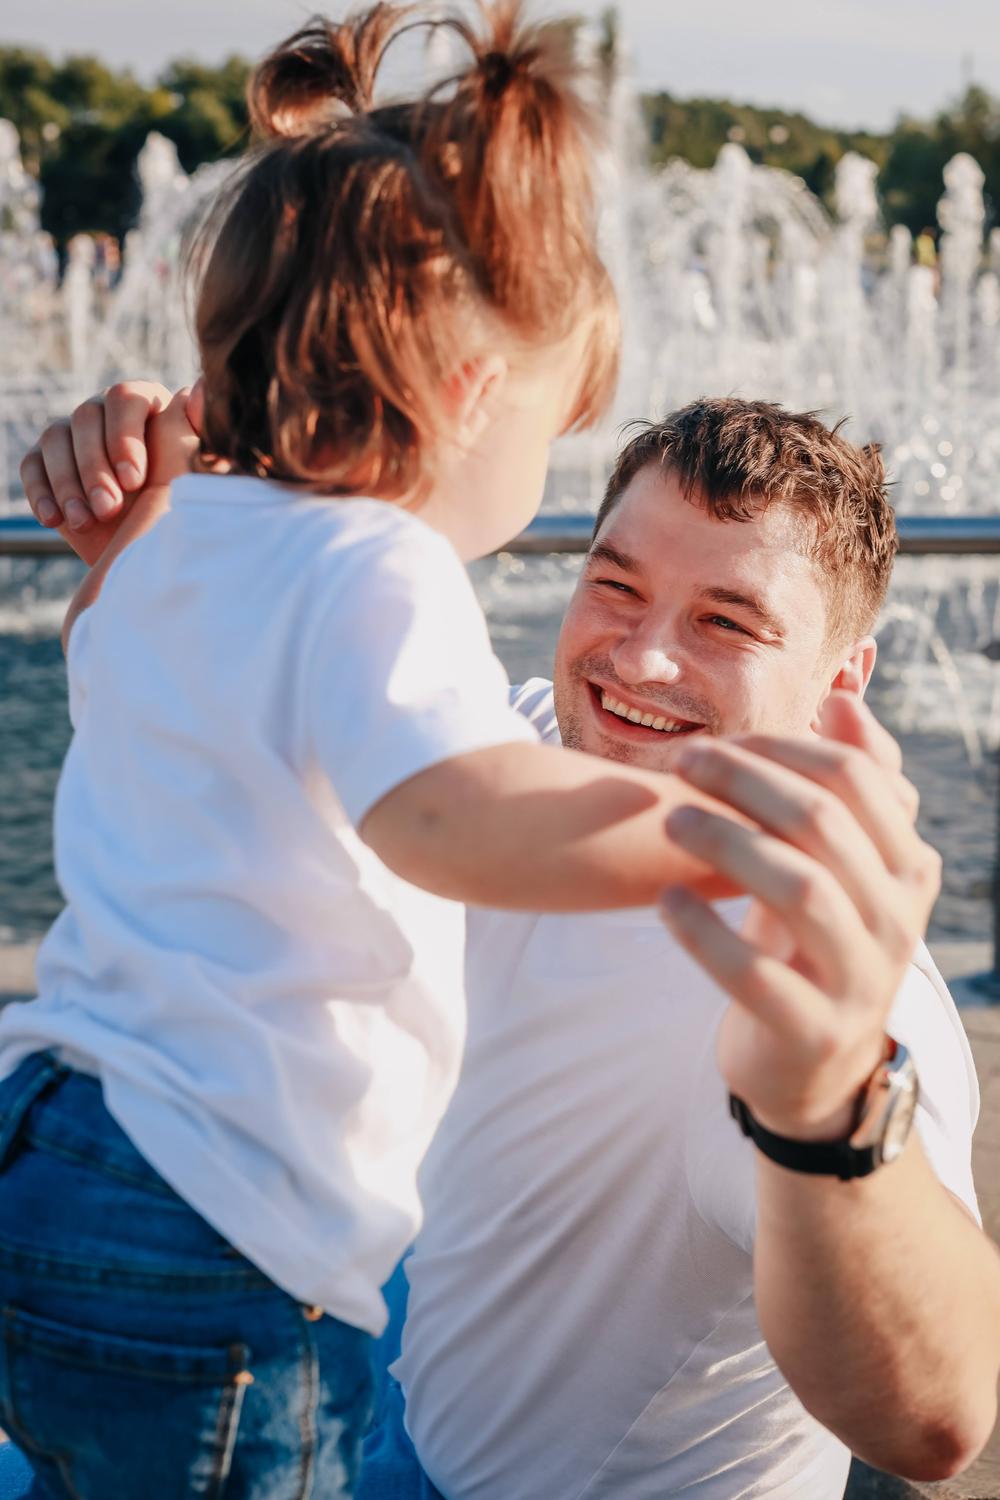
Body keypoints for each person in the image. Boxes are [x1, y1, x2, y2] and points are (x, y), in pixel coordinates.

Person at [0, 10, 795, 1497]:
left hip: (55, 1148)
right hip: (225, 1230)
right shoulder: (379, 562)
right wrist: (719, 821)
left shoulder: (179, 542)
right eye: (556, 433)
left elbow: (113, 657)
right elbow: (450, 819)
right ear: (473, 397)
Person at [19, 395, 1000, 1497]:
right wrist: (151, 540)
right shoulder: (513, 746)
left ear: (840, 686)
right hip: (368, 1384)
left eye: (726, 622)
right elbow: (213, 700)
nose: (641, 660)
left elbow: (938, 1419)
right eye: (615, 585)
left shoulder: (821, 972)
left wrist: (831, 1105)